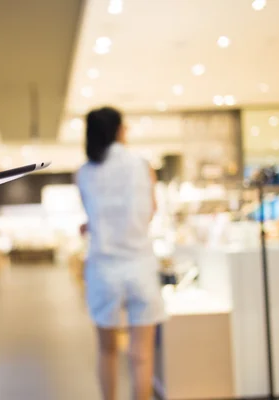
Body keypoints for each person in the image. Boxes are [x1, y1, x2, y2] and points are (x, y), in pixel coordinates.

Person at [76, 106, 166, 400]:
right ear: (119, 130)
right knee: (141, 354)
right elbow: (150, 211)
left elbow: (95, 214)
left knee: (107, 350)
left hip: (103, 267)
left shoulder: (84, 173)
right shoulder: (142, 165)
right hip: (139, 263)